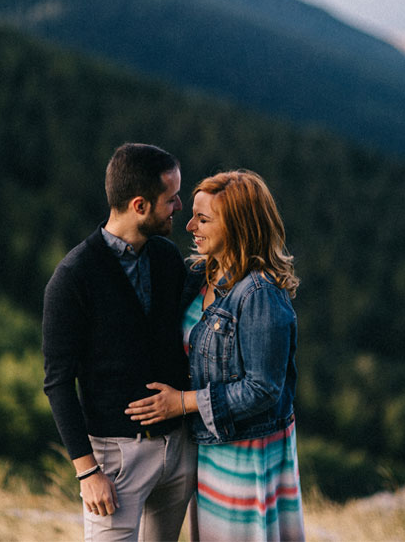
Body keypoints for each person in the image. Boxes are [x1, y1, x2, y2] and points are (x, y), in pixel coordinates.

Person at [125, 170, 305, 541]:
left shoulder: (259, 293)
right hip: (209, 449)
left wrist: (183, 403)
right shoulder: (200, 275)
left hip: (244, 458)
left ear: (239, 225)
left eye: (203, 219)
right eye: (192, 214)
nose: (189, 225)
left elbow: (263, 389)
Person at [42, 143, 196, 541]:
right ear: (140, 205)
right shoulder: (73, 278)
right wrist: (87, 471)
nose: (180, 206)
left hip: (179, 450)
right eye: (171, 198)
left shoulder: (165, 257)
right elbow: (58, 383)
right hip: (116, 459)